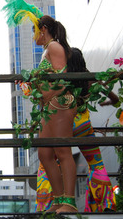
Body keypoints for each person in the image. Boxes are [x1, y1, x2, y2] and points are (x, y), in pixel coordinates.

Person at [36, 48, 117, 212]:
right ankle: (105, 205)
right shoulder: (88, 77)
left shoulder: (60, 79)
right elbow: (115, 99)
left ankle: (47, 204)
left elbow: (45, 100)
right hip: (83, 125)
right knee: (96, 163)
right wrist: (107, 103)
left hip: (62, 122)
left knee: (47, 162)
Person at [31, 15, 78, 213]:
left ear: (43, 29)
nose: (33, 35)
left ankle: (69, 202)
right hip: (50, 106)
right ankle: (58, 200)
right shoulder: (47, 50)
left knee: (63, 151)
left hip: (60, 102)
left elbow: (63, 77)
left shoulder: (54, 47)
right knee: (44, 153)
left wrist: (47, 95)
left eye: (34, 30)